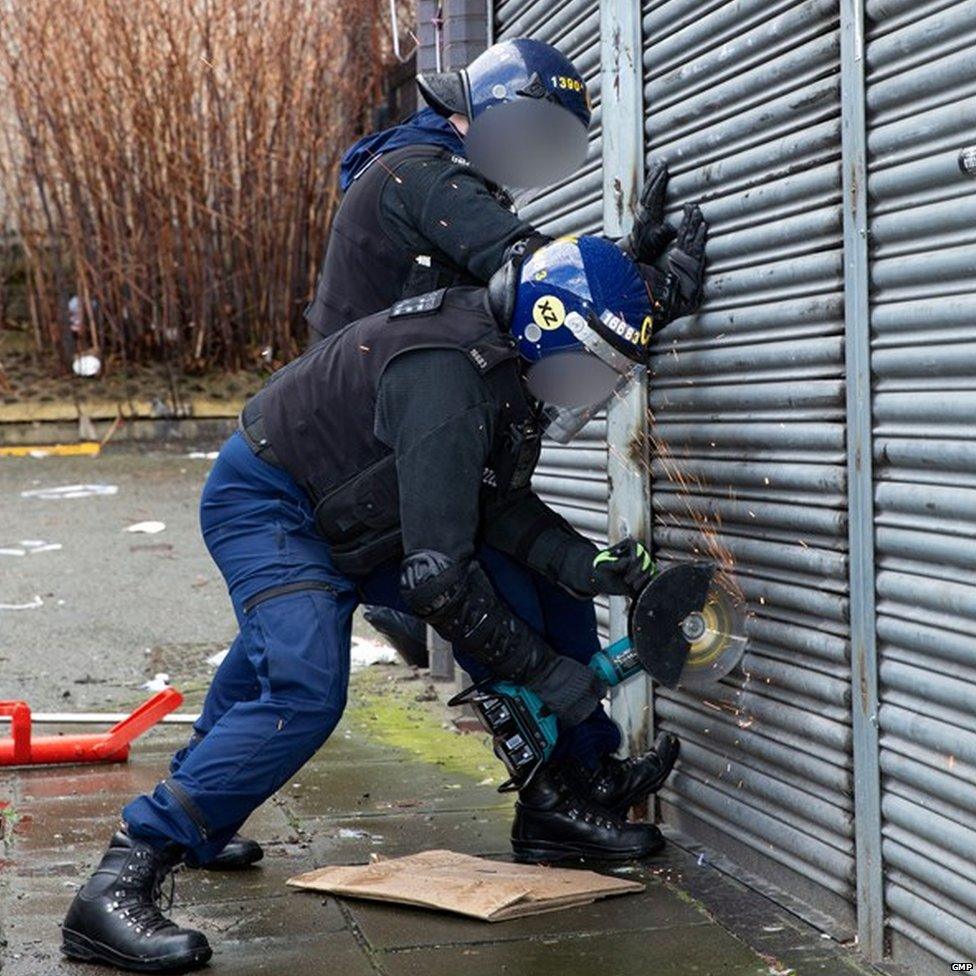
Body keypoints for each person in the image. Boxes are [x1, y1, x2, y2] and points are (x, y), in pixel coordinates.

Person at [61, 232, 707, 972]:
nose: (594, 388)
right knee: (301, 687)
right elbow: (440, 580)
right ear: (548, 325)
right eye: (593, 365)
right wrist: (552, 678)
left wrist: (590, 566)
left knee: (529, 593)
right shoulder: (448, 375)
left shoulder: (507, 361)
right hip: (277, 504)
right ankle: (120, 878)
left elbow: (499, 507)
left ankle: (561, 799)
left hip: (367, 510)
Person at [180, 37, 697, 874]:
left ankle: (575, 781)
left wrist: (623, 274)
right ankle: (561, 791)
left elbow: (537, 293)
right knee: (329, 658)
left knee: (537, 596)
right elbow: (537, 275)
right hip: (358, 450)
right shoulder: (423, 175)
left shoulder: (431, 178)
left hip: (391, 447)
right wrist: (646, 288)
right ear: (469, 115)